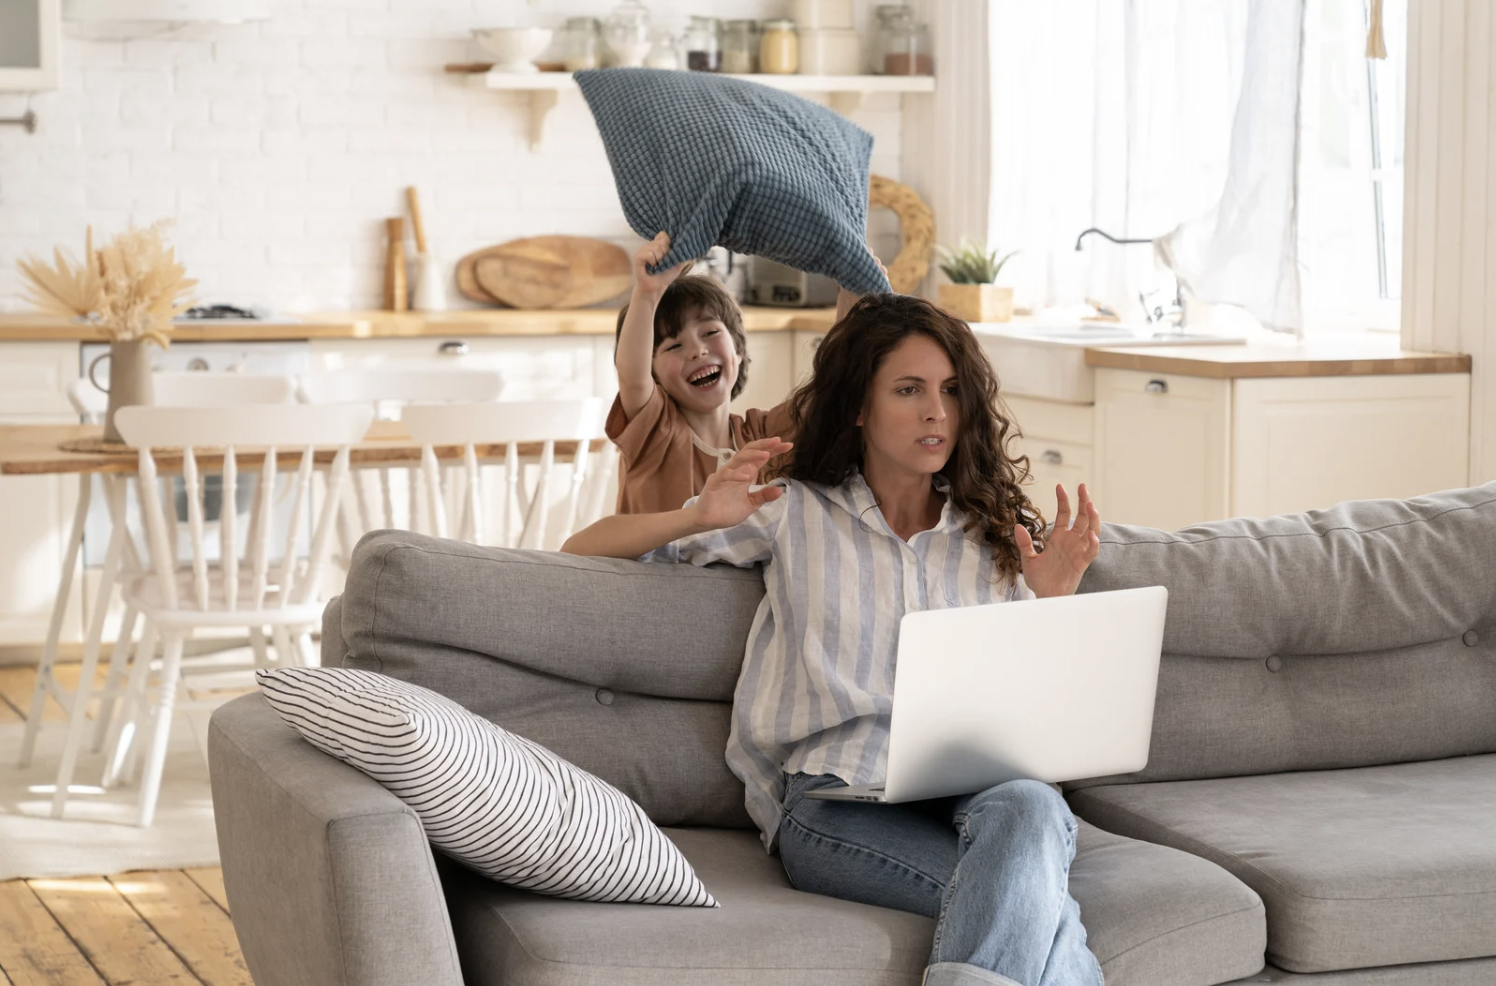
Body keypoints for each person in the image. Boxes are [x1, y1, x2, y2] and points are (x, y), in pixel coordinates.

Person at [565, 293, 1105, 986]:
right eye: (908, 390)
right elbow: (579, 551)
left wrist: (1051, 602)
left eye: (949, 390)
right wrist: (694, 515)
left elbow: (1035, 715)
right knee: (1042, 909)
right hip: (837, 802)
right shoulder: (790, 510)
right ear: (858, 405)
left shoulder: (999, 532)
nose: (936, 411)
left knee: (1033, 804)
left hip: (979, 793)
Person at [607, 231, 866, 514]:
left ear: (738, 351)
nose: (697, 350)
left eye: (710, 332)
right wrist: (646, 294)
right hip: (648, 561)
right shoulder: (656, 432)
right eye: (674, 346)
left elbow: (829, 390)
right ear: (652, 374)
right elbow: (632, 378)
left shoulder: (761, 435)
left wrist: (851, 293)